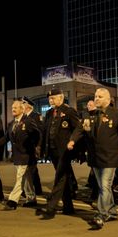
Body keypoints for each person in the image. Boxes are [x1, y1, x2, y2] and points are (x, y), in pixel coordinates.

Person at [68, 88, 118, 229]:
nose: (96, 98)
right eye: (95, 96)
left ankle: (100, 214)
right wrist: (72, 140)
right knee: (104, 187)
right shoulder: (89, 114)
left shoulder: (117, 114)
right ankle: (112, 212)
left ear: (108, 100)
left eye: (100, 96)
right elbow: (80, 129)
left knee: (104, 186)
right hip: (95, 157)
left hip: (110, 157)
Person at [39, 86, 81, 219]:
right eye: (49, 98)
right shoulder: (49, 113)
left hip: (64, 151)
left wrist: (72, 141)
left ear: (61, 98)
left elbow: (78, 128)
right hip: (52, 151)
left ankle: (51, 206)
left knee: (60, 176)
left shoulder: (69, 111)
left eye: (53, 98)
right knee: (64, 177)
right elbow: (45, 132)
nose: (50, 100)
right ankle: (68, 207)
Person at [0, 100, 40, 210]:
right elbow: (6, 137)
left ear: (22, 109)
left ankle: (12, 201)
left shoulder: (28, 121)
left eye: (16, 107)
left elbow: (37, 135)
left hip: (26, 155)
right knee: (27, 178)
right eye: (12, 107)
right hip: (17, 156)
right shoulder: (12, 124)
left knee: (20, 178)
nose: (13, 109)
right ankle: (31, 199)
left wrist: (32, 146)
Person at [19, 96, 43, 195]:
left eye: (23, 103)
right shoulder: (23, 117)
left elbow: (40, 132)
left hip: (33, 147)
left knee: (31, 169)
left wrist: (38, 146)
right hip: (25, 148)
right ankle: (34, 189)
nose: (21, 105)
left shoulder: (36, 116)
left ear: (28, 105)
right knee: (30, 169)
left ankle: (33, 189)